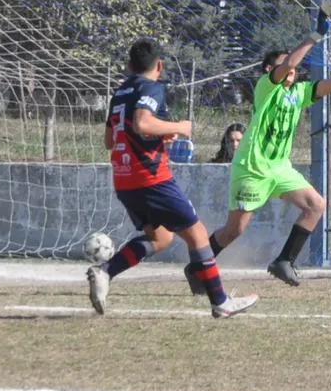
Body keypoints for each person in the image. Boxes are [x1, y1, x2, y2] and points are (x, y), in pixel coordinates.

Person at [185, 11, 331, 291]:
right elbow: (292, 60)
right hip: (252, 168)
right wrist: (314, 36)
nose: (292, 69)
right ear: (271, 71)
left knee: (316, 205)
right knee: (235, 230)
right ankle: (196, 268)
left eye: (292, 68)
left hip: (279, 168)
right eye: (284, 66)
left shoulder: (300, 92)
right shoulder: (266, 88)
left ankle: (284, 261)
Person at [88, 38, 258, 318]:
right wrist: (179, 126)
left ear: (129, 66)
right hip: (151, 178)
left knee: (160, 238)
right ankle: (220, 302)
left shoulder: (119, 93)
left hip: (124, 179)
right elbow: (142, 123)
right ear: (159, 65)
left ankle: (106, 272)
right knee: (199, 235)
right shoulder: (151, 87)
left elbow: (110, 140)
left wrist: (160, 135)